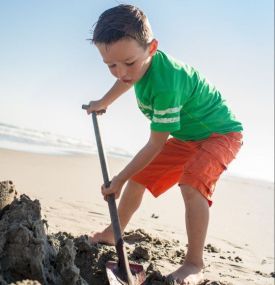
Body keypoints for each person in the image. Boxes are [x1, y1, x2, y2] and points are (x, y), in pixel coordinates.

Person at [86, 4, 243, 285]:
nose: (121, 72)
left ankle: (195, 264)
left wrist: (118, 179)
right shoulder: (135, 69)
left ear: (152, 48)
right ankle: (113, 233)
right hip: (187, 137)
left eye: (129, 63)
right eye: (111, 65)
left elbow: (155, 144)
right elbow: (127, 80)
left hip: (220, 134)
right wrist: (103, 103)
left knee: (192, 182)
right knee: (139, 179)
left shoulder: (167, 83)